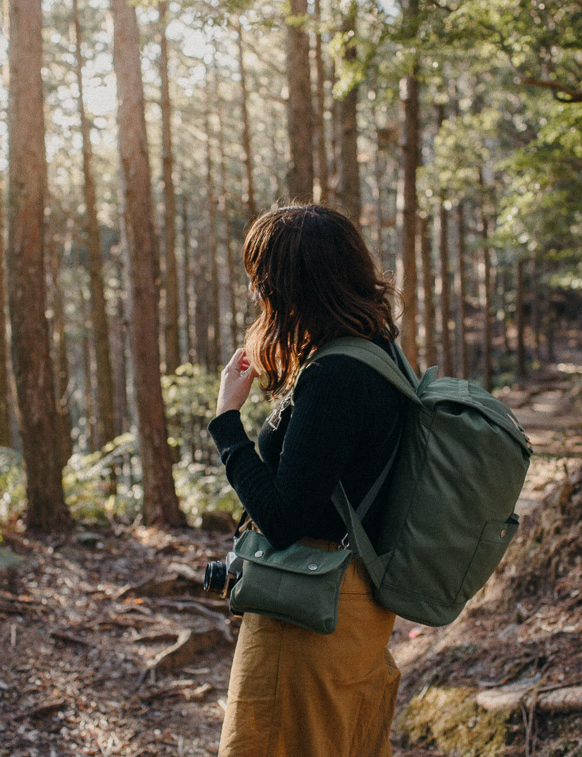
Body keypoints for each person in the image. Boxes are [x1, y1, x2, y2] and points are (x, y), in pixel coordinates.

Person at [208, 204, 407, 756]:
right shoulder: (378, 355)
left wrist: (228, 424)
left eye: (261, 278)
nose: (256, 293)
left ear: (290, 285)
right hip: (356, 604)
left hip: (309, 613)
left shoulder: (334, 375)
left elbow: (283, 519)